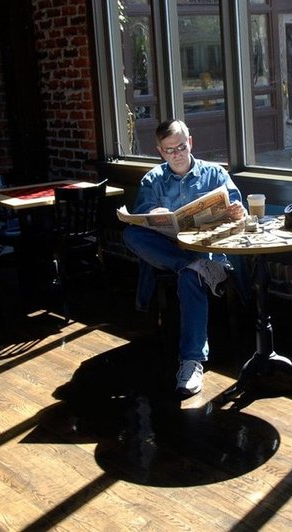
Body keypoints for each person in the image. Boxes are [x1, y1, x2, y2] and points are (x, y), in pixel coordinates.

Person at [122, 119, 246, 396]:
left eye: (181, 146)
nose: (177, 154)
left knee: (191, 275)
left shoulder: (215, 174)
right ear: (160, 151)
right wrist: (153, 215)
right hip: (168, 252)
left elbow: (242, 214)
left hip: (207, 251)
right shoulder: (152, 180)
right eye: (169, 150)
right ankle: (194, 266)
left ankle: (191, 362)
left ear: (190, 142)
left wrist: (237, 211)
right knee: (130, 235)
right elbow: (141, 222)